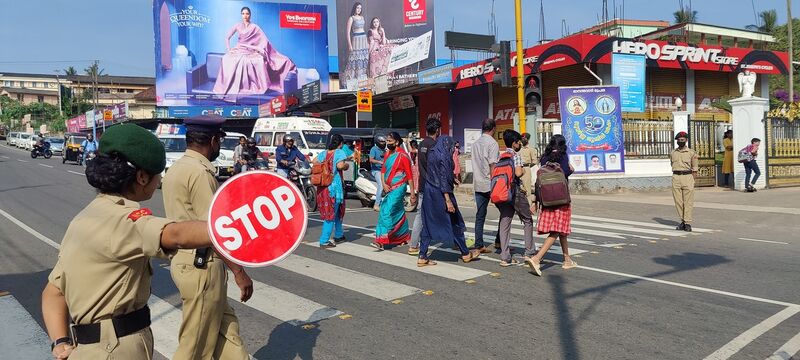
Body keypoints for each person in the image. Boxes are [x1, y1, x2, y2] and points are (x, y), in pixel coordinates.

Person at [41, 124, 214, 359]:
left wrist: (60, 343)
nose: (159, 180)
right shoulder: (125, 220)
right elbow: (175, 235)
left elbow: (53, 293)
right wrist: (236, 226)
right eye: (157, 174)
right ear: (142, 177)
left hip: (86, 349)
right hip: (116, 349)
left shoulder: (85, 217)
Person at [162, 115, 253, 360]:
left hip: (188, 261)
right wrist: (238, 271)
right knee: (195, 347)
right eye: (219, 142)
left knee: (227, 334)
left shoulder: (177, 168)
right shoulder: (200, 174)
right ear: (213, 141)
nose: (218, 148)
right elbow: (214, 230)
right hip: (201, 264)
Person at [418, 135, 482, 266]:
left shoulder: (432, 154)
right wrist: (447, 200)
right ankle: (465, 253)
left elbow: (437, 173)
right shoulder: (444, 156)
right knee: (454, 222)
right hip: (442, 194)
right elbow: (442, 178)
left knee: (427, 224)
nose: (453, 150)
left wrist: (452, 178)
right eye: (452, 147)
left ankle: (422, 256)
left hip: (429, 192)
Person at [213, 6, 296, 98]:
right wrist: (229, 49)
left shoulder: (255, 27)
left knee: (259, 60)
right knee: (226, 58)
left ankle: (260, 85)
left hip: (251, 51)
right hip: (239, 49)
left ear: (250, 15)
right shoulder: (237, 25)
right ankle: (228, 86)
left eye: (247, 13)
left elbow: (264, 41)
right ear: (241, 15)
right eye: (243, 13)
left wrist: (258, 50)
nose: (245, 16)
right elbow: (227, 37)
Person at [526, 134, 576, 276]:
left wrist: (535, 202)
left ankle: (567, 259)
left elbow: (538, 181)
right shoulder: (563, 156)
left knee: (562, 230)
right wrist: (571, 170)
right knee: (556, 230)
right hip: (561, 199)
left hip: (546, 199)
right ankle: (536, 258)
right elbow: (565, 172)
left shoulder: (544, 158)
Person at [496, 130, 536, 267]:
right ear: (514, 143)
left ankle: (505, 256)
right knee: (527, 219)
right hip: (515, 191)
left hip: (503, 193)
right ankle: (529, 253)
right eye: (518, 141)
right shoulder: (515, 155)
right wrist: (523, 170)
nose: (519, 144)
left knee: (505, 222)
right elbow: (518, 173)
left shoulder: (501, 156)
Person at [372, 132, 417, 250]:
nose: (388, 143)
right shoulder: (388, 154)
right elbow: (383, 171)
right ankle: (403, 237)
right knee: (398, 212)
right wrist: (384, 184)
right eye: (387, 141)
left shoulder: (403, 156)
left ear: (397, 142)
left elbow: (410, 177)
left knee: (385, 211)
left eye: (390, 141)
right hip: (388, 187)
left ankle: (381, 240)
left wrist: (412, 194)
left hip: (399, 187)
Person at [408, 119, 440, 256]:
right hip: (434, 185)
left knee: (420, 216)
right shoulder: (435, 145)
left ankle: (413, 245)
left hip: (423, 184)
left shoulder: (421, 145)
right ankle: (458, 244)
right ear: (437, 130)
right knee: (449, 212)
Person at [314, 134, 350, 247]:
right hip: (334, 187)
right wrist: (346, 165)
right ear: (341, 144)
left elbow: (314, 161)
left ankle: (339, 235)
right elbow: (339, 166)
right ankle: (324, 241)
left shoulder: (324, 153)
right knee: (331, 214)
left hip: (322, 187)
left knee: (337, 211)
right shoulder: (339, 152)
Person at [471, 118, 500, 253]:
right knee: (505, 212)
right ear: (493, 128)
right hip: (490, 183)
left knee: (480, 215)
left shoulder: (475, 143)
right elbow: (493, 165)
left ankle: (479, 244)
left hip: (478, 182)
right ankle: (499, 241)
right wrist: (496, 184)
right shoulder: (493, 143)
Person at [670, 131, 698, 232]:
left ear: (686, 141)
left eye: (682, 140)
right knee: (678, 202)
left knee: (688, 202)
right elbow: (671, 164)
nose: (680, 141)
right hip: (676, 177)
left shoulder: (692, 153)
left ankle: (687, 222)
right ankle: (682, 221)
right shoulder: (673, 152)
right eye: (679, 140)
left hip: (687, 177)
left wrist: (692, 180)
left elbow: (695, 168)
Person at [342, 2, 368, 89]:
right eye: (357, 8)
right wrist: (350, 45)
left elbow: (363, 29)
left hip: (363, 39)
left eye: (360, 8)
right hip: (356, 40)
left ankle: (361, 82)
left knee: (363, 60)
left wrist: (367, 42)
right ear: (354, 8)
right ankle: (351, 82)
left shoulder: (362, 17)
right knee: (355, 60)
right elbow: (348, 33)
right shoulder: (351, 18)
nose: (359, 10)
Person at [518, 132, 539, 207]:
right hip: (518, 169)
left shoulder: (531, 149)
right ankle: (520, 206)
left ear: (527, 139)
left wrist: (528, 168)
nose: (522, 139)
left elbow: (534, 161)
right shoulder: (518, 149)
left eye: (524, 138)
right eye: (522, 138)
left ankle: (528, 206)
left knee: (527, 189)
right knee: (519, 188)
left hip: (527, 169)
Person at [369, 135, 387, 211]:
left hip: (384, 170)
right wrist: (379, 162)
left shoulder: (385, 150)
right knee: (381, 185)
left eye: (384, 142)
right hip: (376, 171)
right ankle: (376, 204)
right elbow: (371, 160)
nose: (383, 143)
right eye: (381, 142)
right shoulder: (374, 149)